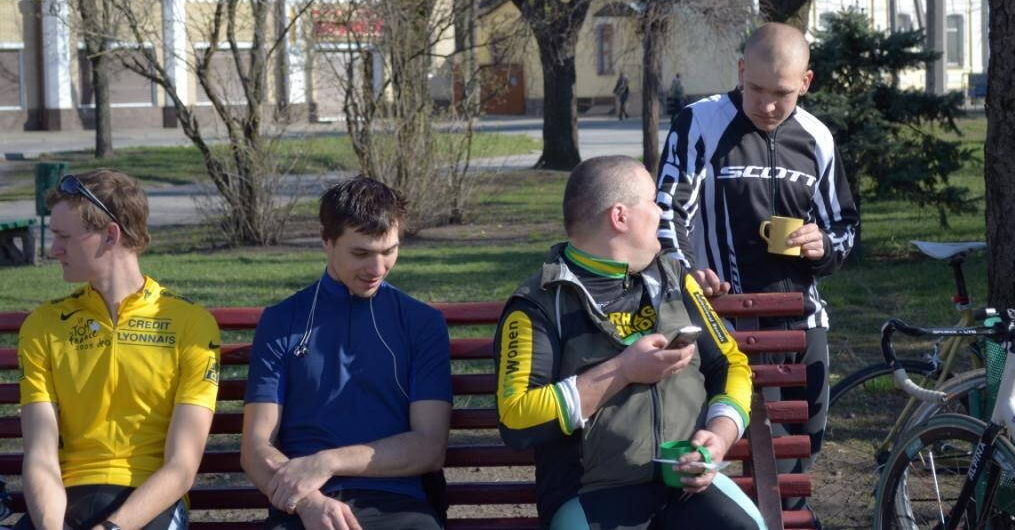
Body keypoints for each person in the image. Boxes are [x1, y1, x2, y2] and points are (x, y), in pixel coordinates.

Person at [494, 155, 765, 530]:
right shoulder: (538, 303)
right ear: (620, 216)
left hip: (687, 485)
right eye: (652, 202)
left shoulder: (677, 279)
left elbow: (731, 364)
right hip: (589, 496)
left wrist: (718, 437)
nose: (661, 213)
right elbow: (516, 417)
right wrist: (623, 370)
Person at [655, 22, 859, 513]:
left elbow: (845, 227)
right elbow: (666, 213)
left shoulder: (817, 138)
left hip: (800, 323)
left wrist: (822, 245)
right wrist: (688, 274)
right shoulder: (699, 123)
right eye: (757, 89)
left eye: (781, 94)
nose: (767, 105)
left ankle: (786, 520)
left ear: (806, 82)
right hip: (721, 323)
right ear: (741, 70)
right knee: (719, 454)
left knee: (797, 456)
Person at [241, 176, 452, 530]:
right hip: (304, 506)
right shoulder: (282, 321)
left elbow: (429, 447)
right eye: (361, 254)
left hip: (399, 505)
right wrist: (307, 502)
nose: (378, 269)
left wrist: (327, 462)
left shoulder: (421, 323)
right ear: (326, 240)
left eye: (389, 251)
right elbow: (255, 447)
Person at [17, 169, 221, 530]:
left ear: (110, 235)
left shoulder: (190, 325)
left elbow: (181, 467)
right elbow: (40, 457)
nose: (53, 250)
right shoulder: (44, 325)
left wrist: (111, 528)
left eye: (64, 237)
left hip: (148, 501)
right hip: (62, 501)